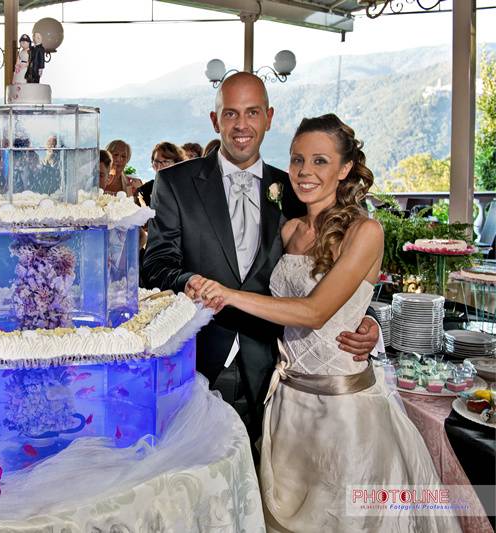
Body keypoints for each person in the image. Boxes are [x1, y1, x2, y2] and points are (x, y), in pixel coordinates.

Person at [189, 114, 458, 532]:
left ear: (345, 168)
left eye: (320, 161)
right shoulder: (289, 230)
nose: (304, 172)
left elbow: (316, 311)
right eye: (297, 160)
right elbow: (280, 303)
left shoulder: (365, 231)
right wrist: (368, 320)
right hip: (287, 405)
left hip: (345, 413)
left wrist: (226, 294)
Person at [142, 74, 380, 446]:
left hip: (274, 366)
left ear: (268, 117)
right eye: (231, 113)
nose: (241, 125)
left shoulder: (297, 188)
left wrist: (368, 321)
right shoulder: (174, 183)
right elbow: (154, 267)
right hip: (199, 359)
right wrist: (188, 281)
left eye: (252, 112)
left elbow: (338, 269)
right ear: (214, 120)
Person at [137, 141, 186, 207]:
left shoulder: (185, 188)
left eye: (165, 162)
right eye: (156, 161)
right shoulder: (146, 189)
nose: (159, 167)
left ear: (177, 163)